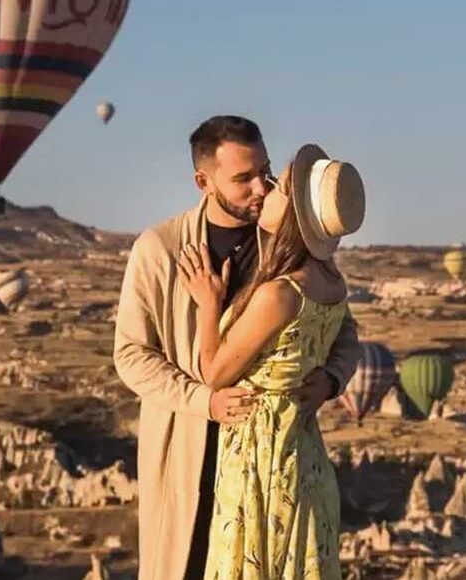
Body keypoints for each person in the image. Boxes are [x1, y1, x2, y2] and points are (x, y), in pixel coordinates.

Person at [114, 116, 363, 580]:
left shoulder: (284, 246)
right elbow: (131, 355)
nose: (261, 188)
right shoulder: (161, 249)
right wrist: (204, 402)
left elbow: (344, 331)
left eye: (265, 172)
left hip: (266, 462)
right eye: (243, 178)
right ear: (203, 181)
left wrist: (331, 380)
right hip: (187, 448)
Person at [179, 143, 365, 579]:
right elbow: (344, 338)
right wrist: (329, 380)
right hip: (305, 454)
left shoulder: (279, 293)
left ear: (295, 215)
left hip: (262, 459)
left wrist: (209, 304)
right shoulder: (332, 282)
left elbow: (215, 372)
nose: (265, 189)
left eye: (278, 187)